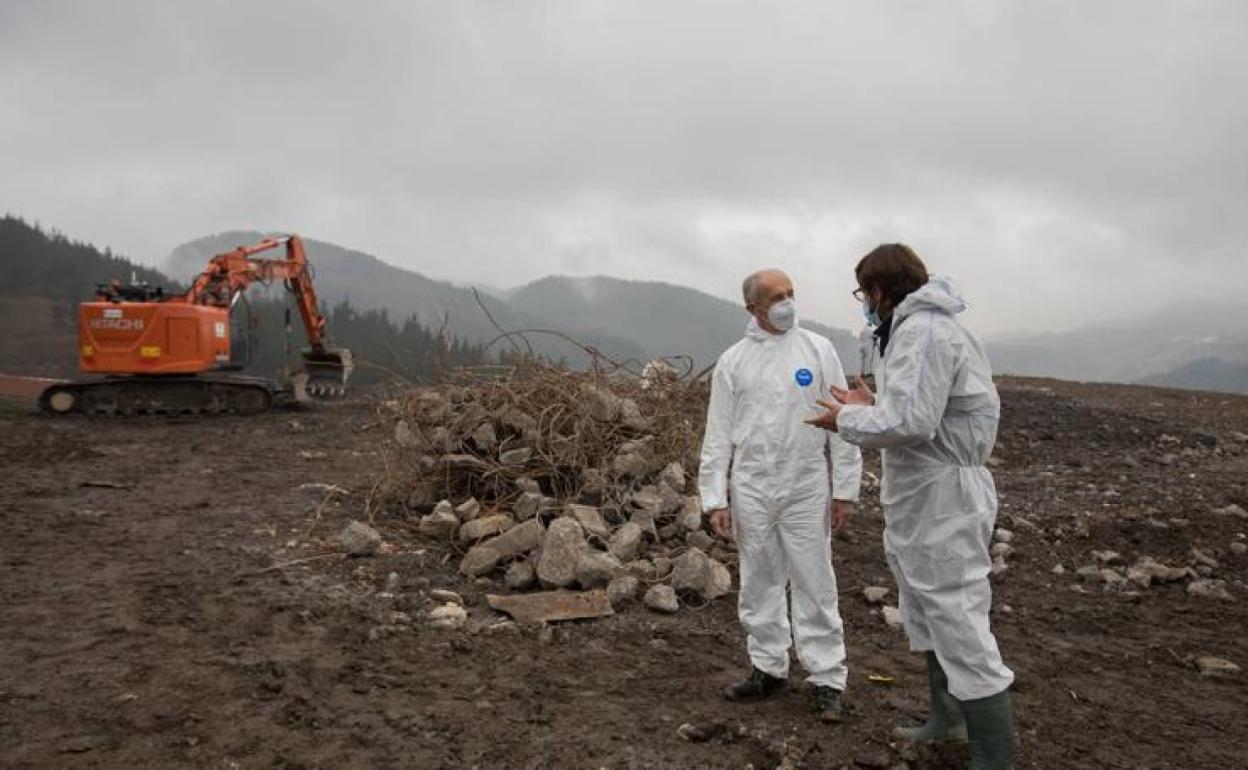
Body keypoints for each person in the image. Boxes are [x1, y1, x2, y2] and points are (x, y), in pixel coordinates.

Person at [806, 244, 1014, 769]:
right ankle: (949, 719)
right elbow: (921, 411)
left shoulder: (924, 332)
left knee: (957, 615)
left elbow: (912, 424)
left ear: (878, 290)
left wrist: (845, 420)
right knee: (928, 608)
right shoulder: (916, 329)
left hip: (944, 495)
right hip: (925, 491)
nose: (865, 304)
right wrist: (871, 405)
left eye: (864, 293)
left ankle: (993, 757)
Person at [698, 268, 863, 723]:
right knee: (759, 578)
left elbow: (844, 421)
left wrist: (845, 490)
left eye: (790, 293)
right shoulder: (733, 362)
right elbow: (718, 433)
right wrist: (714, 498)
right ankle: (768, 667)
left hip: (806, 483)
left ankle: (827, 678)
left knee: (815, 578)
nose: (787, 303)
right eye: (776, 297)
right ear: (753, 308)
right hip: (752, 485)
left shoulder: (818, 349)